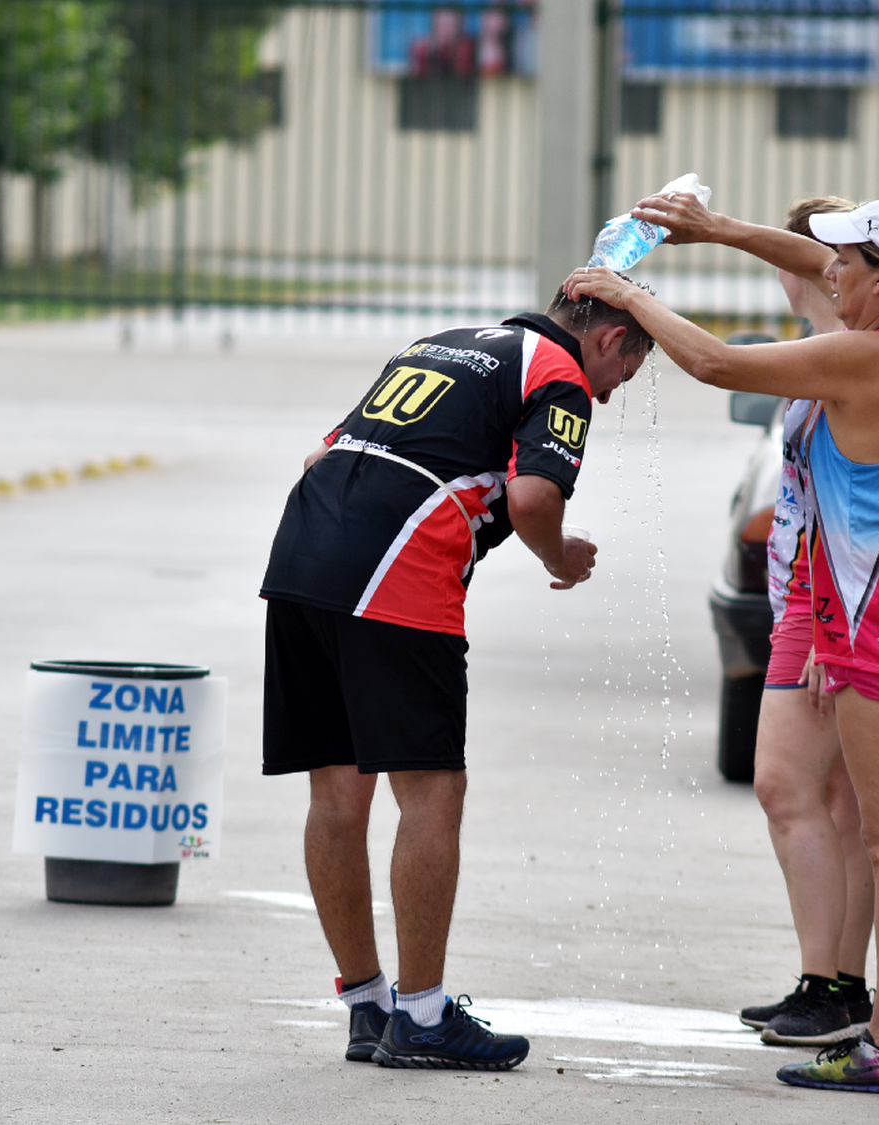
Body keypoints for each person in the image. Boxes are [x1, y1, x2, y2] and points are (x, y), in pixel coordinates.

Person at [566, 197, 879, 1094]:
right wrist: (722, 232)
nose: (828, 273)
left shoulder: (861, 355)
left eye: (845, 262)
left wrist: (626, 293)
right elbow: (813, 260)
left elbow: (713, 361)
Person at [260, 283, 653, 1071]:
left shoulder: (443, 341)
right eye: (627, 376)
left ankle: (367, 1006)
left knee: (336, 792)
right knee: (432, 788)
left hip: (303, 547)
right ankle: (426, 1015)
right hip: (397, 569)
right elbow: (534, 494)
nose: (610, 396)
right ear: (611, 340)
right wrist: (559, 555)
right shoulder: (561, 374)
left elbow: (320, 452)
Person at [734, 198, 876, 1049]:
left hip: (827, 602)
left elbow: (846, 509)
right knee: (838, 803)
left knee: (784, 786)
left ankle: (826, 985)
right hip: (834, 601)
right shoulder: (853, 351)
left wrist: (826, 627)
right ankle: (841, 984)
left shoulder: (837, 358)